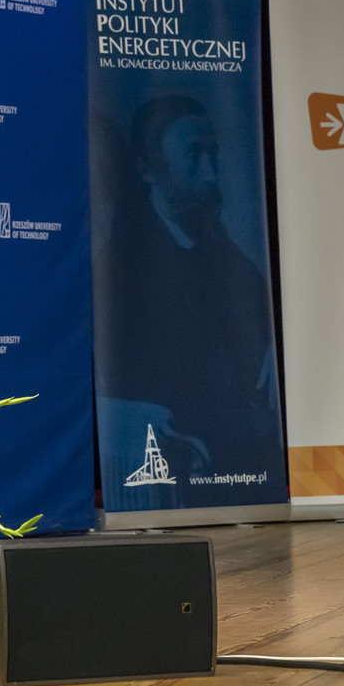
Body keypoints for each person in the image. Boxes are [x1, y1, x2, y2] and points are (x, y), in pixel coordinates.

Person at [95, 94, 279, 499]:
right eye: (194, 156)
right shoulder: (122, 269)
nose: (211, 173)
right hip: (187, 456)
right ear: (147, 169)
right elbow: (158, 395)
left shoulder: (224, 254)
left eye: (214, 155)